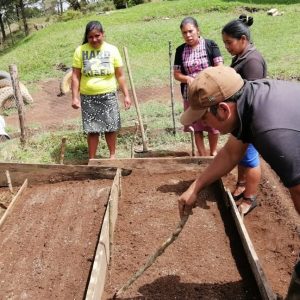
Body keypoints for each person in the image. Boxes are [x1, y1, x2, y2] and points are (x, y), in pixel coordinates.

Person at [178, 65, 300, 300]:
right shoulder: (249, 97)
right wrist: (195, 187)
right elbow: (231, 153)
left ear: (223, 110)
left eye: (205, 118)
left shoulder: (271, 131)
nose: (206, 126)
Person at [222, 15, 267, 215]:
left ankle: (250, 198)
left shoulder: (253, 61)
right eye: (224, 43)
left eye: (229, 42)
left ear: (242, 39)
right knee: (241, 155)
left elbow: (254, 96)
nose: (227, 47)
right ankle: (241, 184)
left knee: (250, 159)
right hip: (240, 117)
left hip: (251, 117)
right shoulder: (241, 57)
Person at [71, 20, 131, 159]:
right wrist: (74, 97)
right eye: (90, 37)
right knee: (92, 130)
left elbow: (120, 76)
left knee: (110, 128)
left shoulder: (112, 50)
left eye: (97, 35)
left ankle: (112, 157)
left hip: (108, 95)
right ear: (87, 37)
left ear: (103, 34)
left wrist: (126, 95)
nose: (94, 39)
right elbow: (75, 76)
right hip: (88, 97)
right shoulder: (80, 51)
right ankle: (92, 159)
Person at [173, 16, 223, 156]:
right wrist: (187, 78)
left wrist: (206, 77)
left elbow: (220, 68)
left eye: (190, 31)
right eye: (184, 33)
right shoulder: (180, 50)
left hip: (210, 94)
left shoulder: (210, 45)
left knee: (213, 125)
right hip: (191, 95)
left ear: (198, 30)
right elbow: (176, 74)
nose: (188, 35)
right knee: (197, 126)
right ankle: (202, 156)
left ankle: (213, 153)